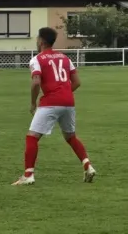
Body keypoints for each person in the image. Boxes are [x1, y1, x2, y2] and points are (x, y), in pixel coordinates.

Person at [12, 27, 96, 186]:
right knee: (71, 137)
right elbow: (77, 82)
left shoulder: (37, 59)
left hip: (50, 102)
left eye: (37, 38)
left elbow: (36, 81)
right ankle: (88, 166)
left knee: (32, 137)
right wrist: (64, 93)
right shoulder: (65, 58)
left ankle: (28, 175)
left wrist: (32, 103)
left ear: (41, 41)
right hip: (69, 102)